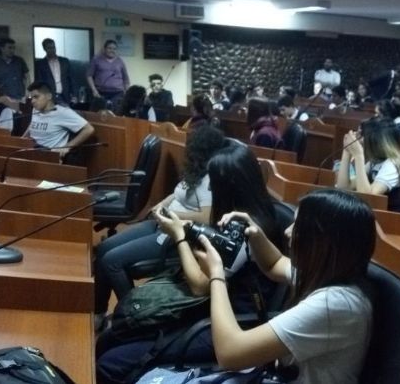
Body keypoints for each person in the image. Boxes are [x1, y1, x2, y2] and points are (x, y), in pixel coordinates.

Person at [96, 144, 288, 383]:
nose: (209, 187)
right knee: (112, 336)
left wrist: (178, 235)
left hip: (225, 320)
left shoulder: (244, 231)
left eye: (213, 184)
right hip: (206, 305)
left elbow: (199, 284)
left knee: (109, 363)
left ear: (228, 187)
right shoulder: (250, 213)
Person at [182, 189, 375, 383]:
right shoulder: (332, 275)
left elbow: (229, 353)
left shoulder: (335, 304)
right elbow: (275, 265)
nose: (287, 232)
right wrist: (255, 233)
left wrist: (216, 275)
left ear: (323, 243)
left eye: (298, 227)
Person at [93, 125, 227, 328]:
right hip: (160, 223)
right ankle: (100, 312)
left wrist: (171, 214)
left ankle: (133, 316)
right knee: (103, 248)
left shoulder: (209, 178)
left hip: (175, 235)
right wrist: (162, 204)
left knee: (112, 261)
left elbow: (206, 216)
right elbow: (178, 193)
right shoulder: (196, 170)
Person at [336, 117, 400, 215]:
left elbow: (367, 199)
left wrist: (358, 156)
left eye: (362, 136)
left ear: (374, 141)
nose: (359, 139)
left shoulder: (393, 164)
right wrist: (346, 151)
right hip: (391, 218)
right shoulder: (375, 161)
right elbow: (344, 187)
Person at [23, 82, 95, 154]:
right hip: (30, 152)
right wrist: (21, 139)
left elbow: (89, 129)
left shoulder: (63, 112)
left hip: (49, 157)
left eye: (36, 97)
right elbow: (32, 125)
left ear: (49, 96)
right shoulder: (35, 110)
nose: (32, 101)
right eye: (31, 98)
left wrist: (67, 147)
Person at [87, 40, 130, 107]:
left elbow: (126, 79)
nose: (112, 50)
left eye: (114, 49)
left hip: (117, 93)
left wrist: (127, 93)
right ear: (105, 49)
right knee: (100, 114)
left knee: (116, 114)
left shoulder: (120, 61)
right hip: (101, 93)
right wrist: (94, 90)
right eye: (109, 48)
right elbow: (89, 76)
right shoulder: (96, 60)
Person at [34, 38, 74, 105]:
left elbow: (71, 78)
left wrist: (74, 95)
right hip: (49, 97)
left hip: (65, 96)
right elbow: (39, 82)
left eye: (53, 47)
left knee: (66, 114)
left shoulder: (65, 61)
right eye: (49, 48)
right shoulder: (40, 64)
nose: (52, 50)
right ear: (45, 49)